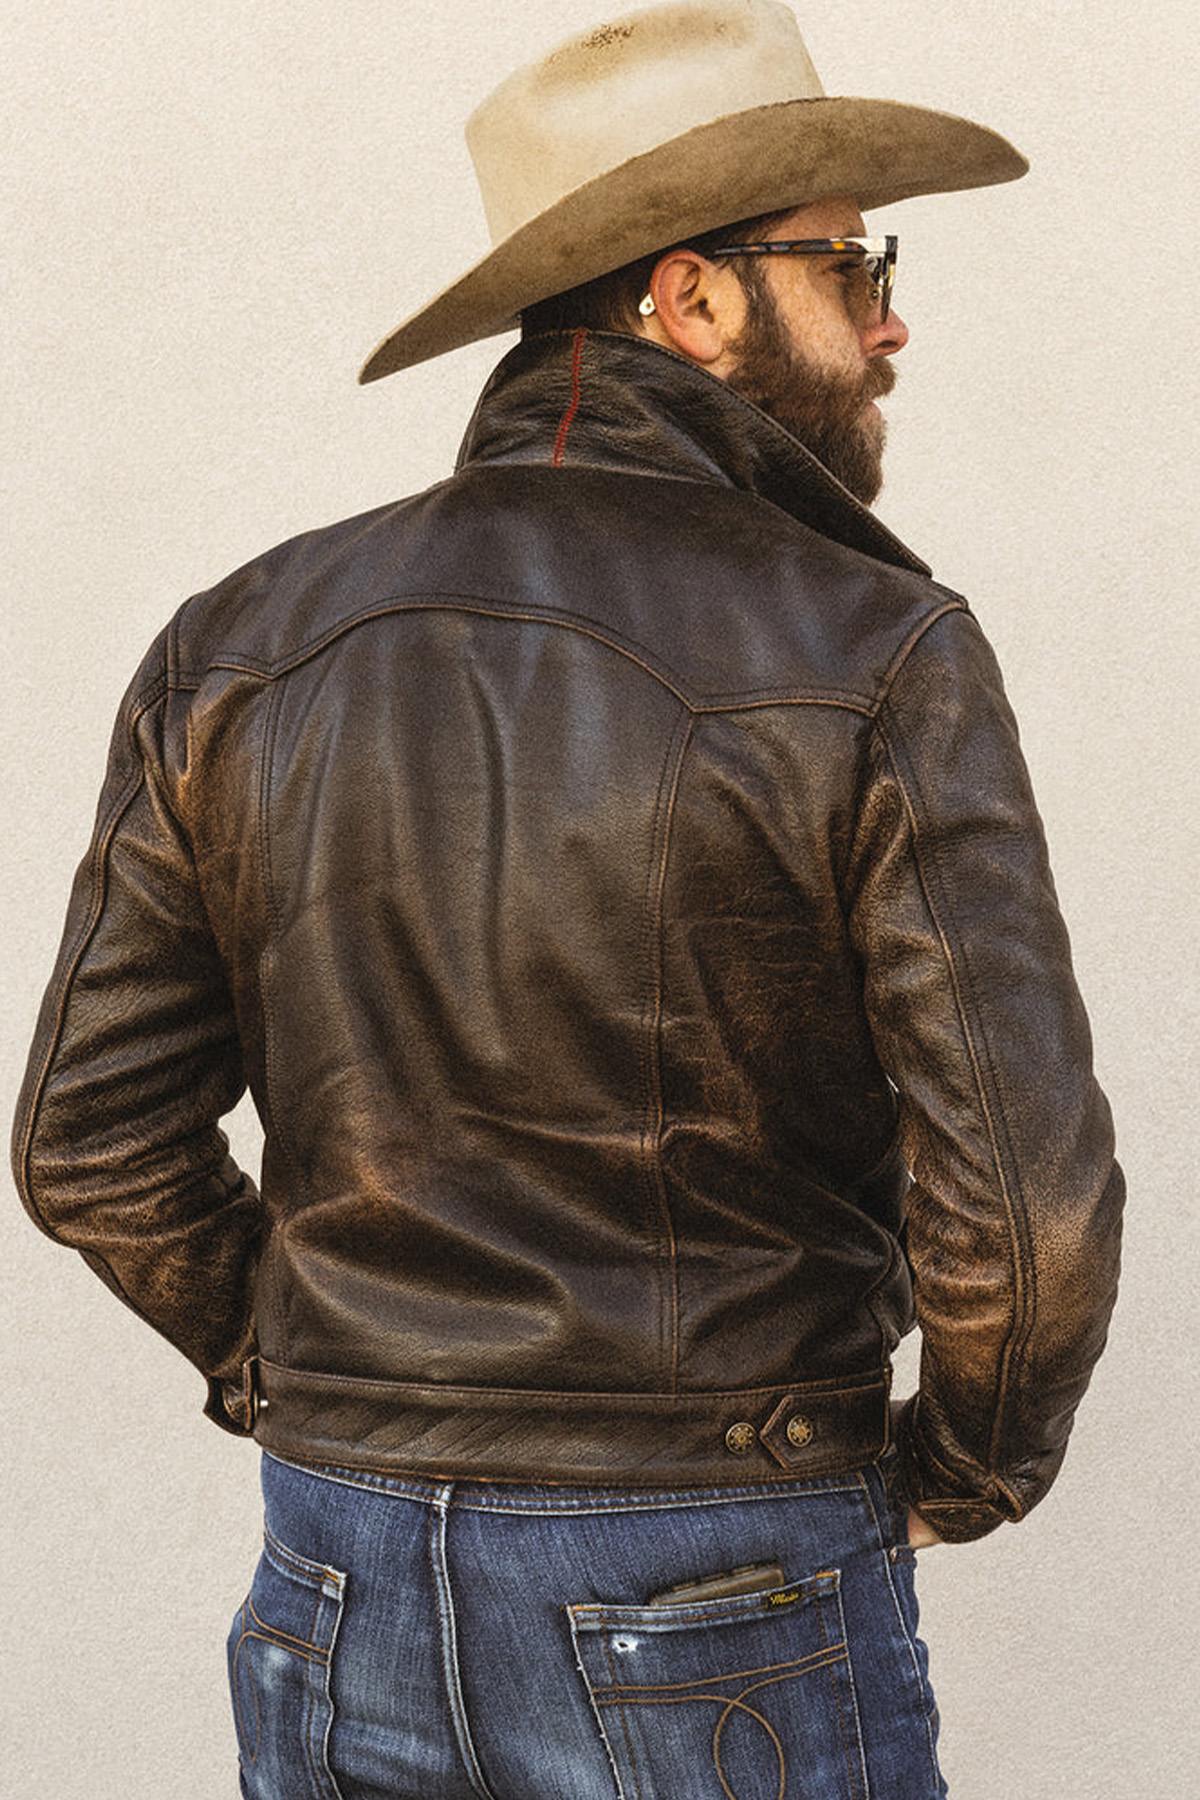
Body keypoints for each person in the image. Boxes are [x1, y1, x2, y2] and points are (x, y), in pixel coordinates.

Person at [10, 3, 1125, 1795]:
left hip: (334, 1574)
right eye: (850, 265)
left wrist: (312, 1377)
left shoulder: (238, 644)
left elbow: (86, 1141)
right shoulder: (874, 649)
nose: (890, 320)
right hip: (723, 1565)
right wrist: (963, 1471)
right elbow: (1028, 1204)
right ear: (691, 298)